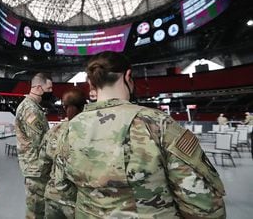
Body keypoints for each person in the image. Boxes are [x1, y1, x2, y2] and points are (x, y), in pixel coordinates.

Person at [56, 51, 226, 218]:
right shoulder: (158, 123)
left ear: (91, 84)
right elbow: (202, 203)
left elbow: (62, 194)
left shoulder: (68, 130)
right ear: (128, 76)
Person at [39, 88, 85, 219]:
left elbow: (42, 164)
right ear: (84, 106)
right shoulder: (89, 132)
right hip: (77, 200)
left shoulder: (54, 131)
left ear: (64, 107)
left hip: (53, 197)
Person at [15, 73, 53, 219]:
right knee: (36, 211)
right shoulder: (31, 109)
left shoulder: (32, 106)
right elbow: (39, 141)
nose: (51, 92)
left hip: (35, 166)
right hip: (37, 167)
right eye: (48, 88)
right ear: (38, 87)